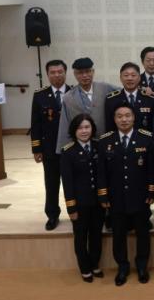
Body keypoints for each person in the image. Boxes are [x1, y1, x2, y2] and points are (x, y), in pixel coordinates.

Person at [97, 104, 154, 285]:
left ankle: (142, 266)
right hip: (116, 198)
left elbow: (152, 169)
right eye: (119, 116)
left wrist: (151, 191)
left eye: (127, 115)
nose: (124, 119)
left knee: (143, 233)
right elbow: (101, 172)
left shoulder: (146, 138)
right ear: (114, 119)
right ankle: (122, 267)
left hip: (140, 197)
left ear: (134, 117)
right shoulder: (105, 140)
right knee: (118, 235)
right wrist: (103, 195)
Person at [60, 114, 104, 283]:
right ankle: (85, 268)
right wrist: (71, 207)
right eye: (80, 128)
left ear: (92, 128)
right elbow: (67, 183)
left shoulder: (99, 146)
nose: (84, 131)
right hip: (80, 204)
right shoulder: (68, 151)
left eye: (87, 127)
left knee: (96, 235)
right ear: (74, 131)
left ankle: (94, 264)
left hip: (98, 203)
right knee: (80, 237)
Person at [31, 59, 70, 230]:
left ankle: (76, 213)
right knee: (51, 184)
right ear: (47, 74)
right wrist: (36, 148)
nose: (57, 75)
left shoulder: (73, 92)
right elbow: (35, 124)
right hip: (49, 149)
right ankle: (52, 215)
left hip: (70, 149)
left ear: (65, 73)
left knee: (72, 184)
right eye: (53, 72)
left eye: (60, 72)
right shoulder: (40, 95)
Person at [56, 57, 116, 152]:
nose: (84, 75)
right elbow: (64, 125)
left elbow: (125, 93)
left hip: (105, 143)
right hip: (80, 146)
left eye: (88, 71)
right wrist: (63, 150)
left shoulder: (105, 88)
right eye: (80, 73)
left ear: (93, 72)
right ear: (75, 74)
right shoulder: (68, 97)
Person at [105, 62, 154, 132]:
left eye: (133, 75)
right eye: (126, 75)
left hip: (144, 138)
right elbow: (109, 126)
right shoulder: (111, 100)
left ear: (139, 78)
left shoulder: (149, 99)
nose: (129, 78)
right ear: (120, 78)